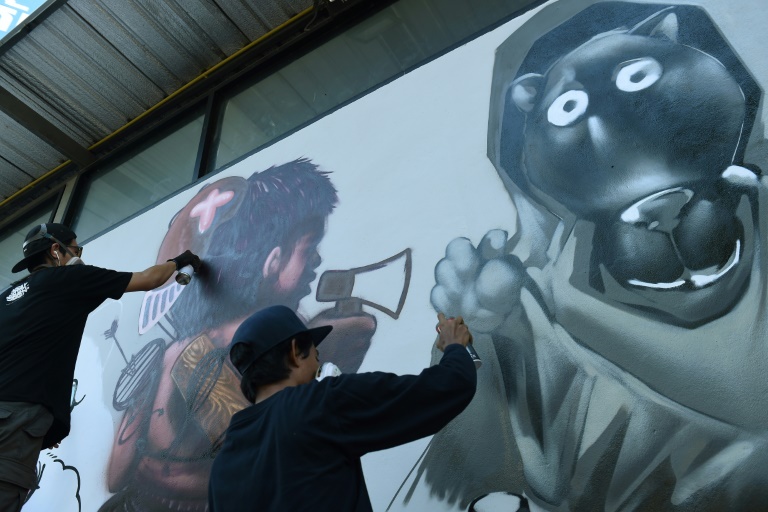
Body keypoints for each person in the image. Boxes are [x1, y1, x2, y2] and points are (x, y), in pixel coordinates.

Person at [102, 159, 378, 512]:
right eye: (308, 249)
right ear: (272, 260)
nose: (316, 262)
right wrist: (324, 354)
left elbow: (116, 473)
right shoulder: (240, 355)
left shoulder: (172, 353)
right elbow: (275, 458)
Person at [0, 222, 200, 512]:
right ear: (56, 250)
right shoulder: (69, 279)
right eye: (76, 249)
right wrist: (179, 261)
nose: (79, 256)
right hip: (16, 421)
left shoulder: (5, 299)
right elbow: (149, 279)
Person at [208, 305, 477, 511]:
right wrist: (455, 346)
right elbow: (448, 387)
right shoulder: (318, 403)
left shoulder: (222, 467)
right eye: (316, 357)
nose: (318, 368)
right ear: (295, 351)